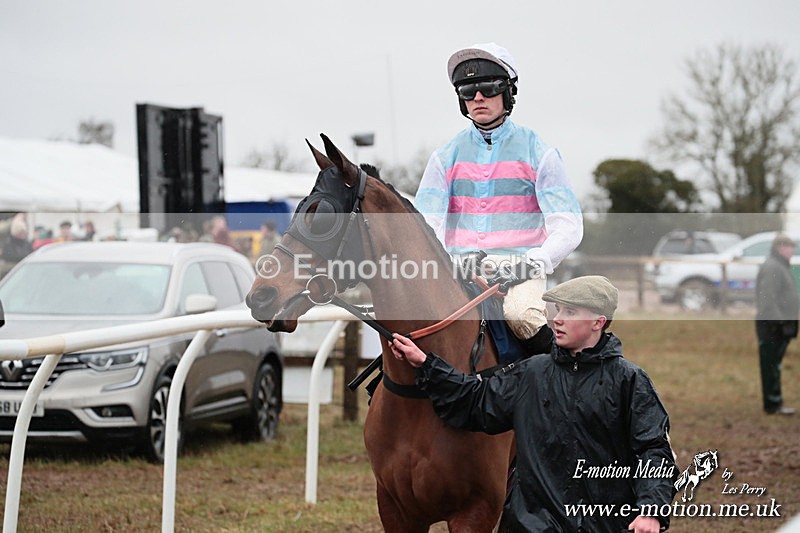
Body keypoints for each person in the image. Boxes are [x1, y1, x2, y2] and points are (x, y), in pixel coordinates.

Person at [390, 276, 677, 533]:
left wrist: (651, 510)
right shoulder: (531, 372)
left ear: (598, 322)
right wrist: (426, 364)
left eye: (570, 312)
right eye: (557, 311)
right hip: (532, 525)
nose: (557, 320)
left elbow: (654, 450)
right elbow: (475, 401)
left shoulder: (630, 381)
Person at [413, 42, 583, 357]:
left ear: (508, 93)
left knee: (521, 316)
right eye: (467, 91)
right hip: (459, 265)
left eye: (488, 88)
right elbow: (427, 222)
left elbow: (568, 225)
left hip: (521, 266)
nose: (478, 98)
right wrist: (449, 261)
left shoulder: (539, 151)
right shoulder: (444, 157)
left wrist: (534, 263)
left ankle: (561, 383)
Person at [755, 233, 798, 415]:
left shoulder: (780, 266)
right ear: (780, 247)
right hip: (772, 326)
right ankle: (773, 404)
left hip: (780, 324)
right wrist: (777, 322)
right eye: (789, 247)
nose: (792, 251)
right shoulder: (773, 267)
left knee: (775, 364)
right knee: (771, 365)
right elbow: (768, 299)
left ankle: (775, 400)